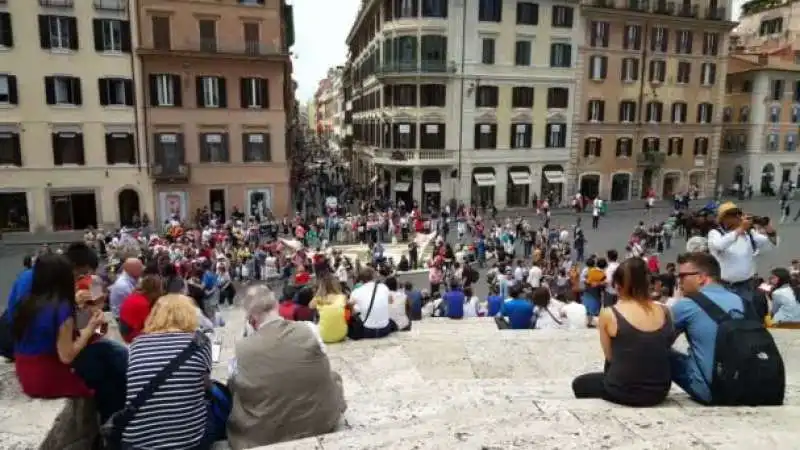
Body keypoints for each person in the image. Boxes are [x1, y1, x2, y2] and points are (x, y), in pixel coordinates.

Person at [12, 253, 128, 422]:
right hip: (48, 376)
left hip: (26, 372)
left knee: (106, 352)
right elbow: (67, 356)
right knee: (108, 372)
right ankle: (116, 422)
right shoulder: (62, 308)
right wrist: (91, 327)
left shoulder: (27, 302)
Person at [227, 286, 345, 449]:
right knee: (333, 376)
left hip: (264, 434)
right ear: (277, 305)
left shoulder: (242, 348)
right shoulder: (309, 329)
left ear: (251, 318)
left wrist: (247, 336)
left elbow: (234, 383)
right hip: (320, 422)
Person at [572, 258, 673, 406]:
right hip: (659, 390)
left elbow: (610, 357)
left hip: (623, 390)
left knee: (579, 384)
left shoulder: (609, 314)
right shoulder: (664, 311)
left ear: (618, 286)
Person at [121, 295, 215, 450]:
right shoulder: (200, 341)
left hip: (137, 442)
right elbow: (205, 384)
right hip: (188, 442)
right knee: (216, 406)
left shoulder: (136, 344)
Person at [670, 252, 745, 404]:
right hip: (746, 386)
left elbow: (659, 343)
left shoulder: (687, 305)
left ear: (701, 277)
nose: (679, 281)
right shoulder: (741, 301)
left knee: (661, 353)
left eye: (683, 276)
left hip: (712, 391)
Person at [707, 202, 777, 309]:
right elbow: (720, 245)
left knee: (746, 313)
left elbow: (771, 243)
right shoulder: (715, 233)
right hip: (724, 285)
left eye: (738, 214)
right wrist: (740, 229)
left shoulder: (749, 233)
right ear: (723, 219)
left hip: (746, 285)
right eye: (732, 215)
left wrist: (767, 226)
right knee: (727, 312)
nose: (737, 217)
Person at [347, 268, 393, 339]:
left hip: (368, 331)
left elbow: (349, 306)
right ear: (374, 276)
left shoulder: (356, 292)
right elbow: (391, 301)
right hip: (385, 330)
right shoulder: (384, 287)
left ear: (361, 280)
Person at [118, 274, 164, 343]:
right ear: (154, 291)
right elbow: (150, 325)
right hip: (130, 336)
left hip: (125, 330)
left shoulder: (135, 295)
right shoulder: (143, 304)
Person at [311, 275, 348, 343]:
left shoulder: (318, 298)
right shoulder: (342, 297)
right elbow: (347, 315)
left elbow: (310, 306)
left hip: (323, 335)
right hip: (341, 334)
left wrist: (318, 294)